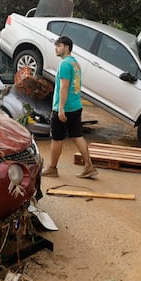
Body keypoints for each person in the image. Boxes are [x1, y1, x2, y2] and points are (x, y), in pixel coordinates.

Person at [42, 36, 98, 179]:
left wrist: (60, 108)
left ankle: (52, 169)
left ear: (66, 47)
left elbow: (64, 86)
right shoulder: (75, 64)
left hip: (64, 108)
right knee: (77, 135)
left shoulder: (65, 64)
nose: (56, 48)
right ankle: (89, 166)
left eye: (59, 46)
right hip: (75, 106)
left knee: (56, 138)